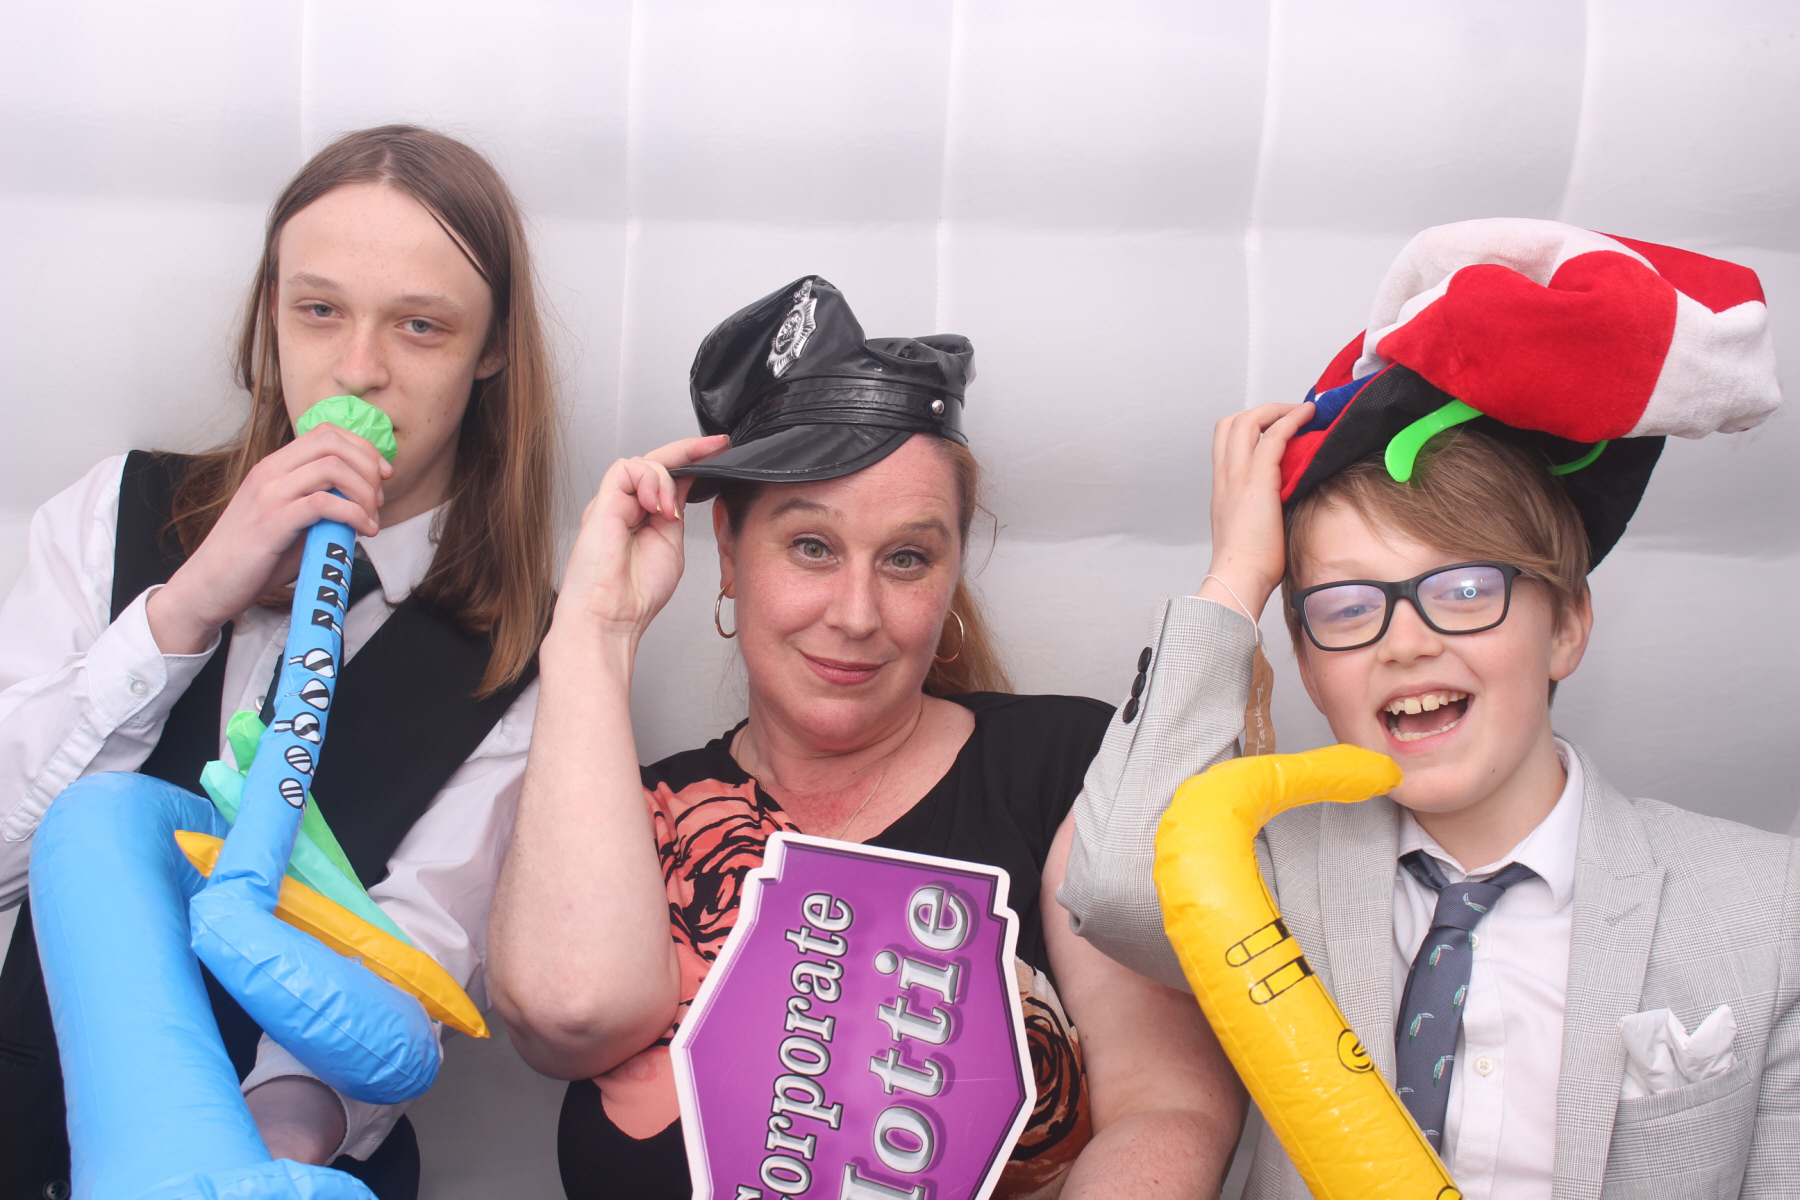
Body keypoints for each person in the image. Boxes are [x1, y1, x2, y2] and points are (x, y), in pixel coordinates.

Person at [1058, 219, 1796, 1198]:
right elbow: (1114, 890)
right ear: (1309, 665)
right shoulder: (1270, 887)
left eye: (1464, 590)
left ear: (1567, 626)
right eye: (1346, 607)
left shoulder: (1770, 910)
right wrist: (1237, 574)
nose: (1405, 642)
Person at [488, 276, 1245, 1199]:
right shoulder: (631, 814)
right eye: (811, 546)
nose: (856, 614)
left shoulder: (1068, 768)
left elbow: (1167, 1109)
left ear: (952, 570)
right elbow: (570, 1012)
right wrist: (594, 632)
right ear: (728, 550)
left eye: (906, 559)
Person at [0, 125, 558, 1200]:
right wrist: (186, 605)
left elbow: (411, 966)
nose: (359, 370)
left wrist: (249, 1160)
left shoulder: (528, 660)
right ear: (270, 313)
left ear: (493, 349)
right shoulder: (115, 510)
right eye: (319, 310)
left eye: (421, 325)